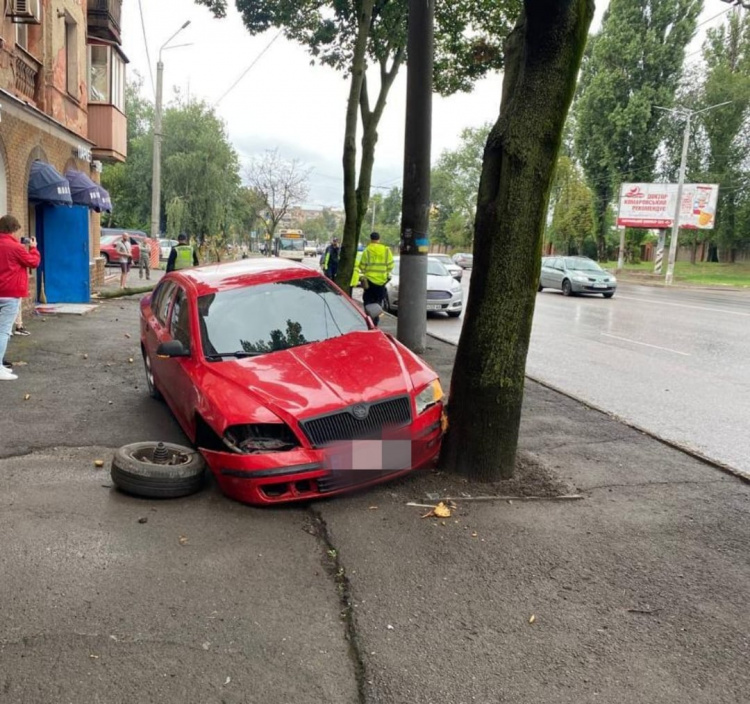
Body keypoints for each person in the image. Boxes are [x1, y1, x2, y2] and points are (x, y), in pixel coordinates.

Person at [0, 215, 40, 381]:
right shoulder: (15, 246)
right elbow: (33, 262)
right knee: (3, 331)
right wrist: (33, 248)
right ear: (13, 229)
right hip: (10, 293)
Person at [359, 232, 394, 327]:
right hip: (381, 282)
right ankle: (375, 322)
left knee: (368, 302)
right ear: (379, 239)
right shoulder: (386, 250)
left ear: (370, 239)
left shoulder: (367, 250)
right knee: (378, 303)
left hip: (369, 282)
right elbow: (391, 266)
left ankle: (368, 321)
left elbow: (362, 266)